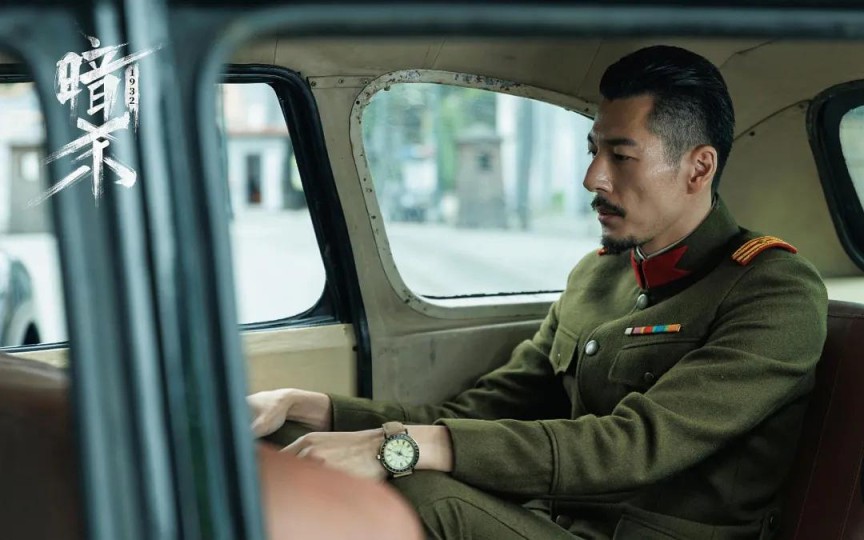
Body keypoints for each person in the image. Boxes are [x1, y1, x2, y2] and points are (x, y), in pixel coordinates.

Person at [248, 45, 828, 539]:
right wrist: (311, 406)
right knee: (294, 439)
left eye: (621, 156)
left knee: (412, 490)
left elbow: (632, 445)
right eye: (593, 151)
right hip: (555, 523)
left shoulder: (774, 292)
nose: (593, 178)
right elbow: (474, 413)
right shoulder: (598, 276)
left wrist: (395, 449)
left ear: (698, 169)